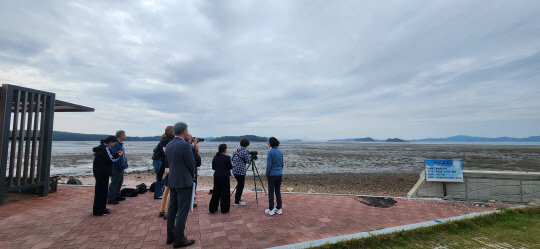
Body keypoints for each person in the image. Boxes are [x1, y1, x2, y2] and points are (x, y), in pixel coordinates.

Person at [165, 122, 196, 248]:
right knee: (182, 210)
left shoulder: (169, 144)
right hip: (183, 181)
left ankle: (170, 236)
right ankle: (179, 239)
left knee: (172, 209)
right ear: (184, 131)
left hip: (172, 179)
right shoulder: (185, 145)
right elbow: (191, 162)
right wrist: (192, 174)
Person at [92, 136, 123, 216]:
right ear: (110, 142)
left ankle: (100, 208)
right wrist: (118, 155)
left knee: (100, 190)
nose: (114, 145)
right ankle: (99, 210)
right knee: (102, 191)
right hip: (102, 172)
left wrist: (116, 154)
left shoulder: (101, 148)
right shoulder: (105, 148)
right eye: (114, 143)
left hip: (99, 171)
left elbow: (108, 158)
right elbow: (111, 159)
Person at [209, 144, 232, 214]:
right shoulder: (227, 158)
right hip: (225, 176)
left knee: (216, 192)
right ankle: (224, 209)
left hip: (217, 176)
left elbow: (213, 167)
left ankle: (212, 208)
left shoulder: (215, 157)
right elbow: (230, 167)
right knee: (225, 193)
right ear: (225, 150)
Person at [157, 126, 175, 218]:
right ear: (172, 132)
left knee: (167, 189)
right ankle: (168, 212)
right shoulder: (171, 141)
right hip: (171, 166)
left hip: (165, 165)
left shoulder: (162, 141)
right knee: (172, 189)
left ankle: (162, 209)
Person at [153, 126, 174, 200]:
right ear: (171, 132)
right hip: (159, 160)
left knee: (160, 176)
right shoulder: (166, 140)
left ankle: (160, 192)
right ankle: (158, 194)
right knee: (159, 176)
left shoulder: (165, 139)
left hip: (159, 159)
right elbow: (165, 151)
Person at [107, 130, 128, 205]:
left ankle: (117, 195)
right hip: (116, 167)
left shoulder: (120, 144)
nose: (125, 136)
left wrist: (125, 163)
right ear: (121, 136)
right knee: (114, 182)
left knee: (119, 181)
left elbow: (122, 156)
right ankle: (110, 198)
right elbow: (115, 155)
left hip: (121, 166)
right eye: (124, 135)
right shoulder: (116, 145)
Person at [265, 137, 284, 216]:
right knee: (278, 191)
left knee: (271, 192)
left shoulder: (270, 152)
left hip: (272, 175)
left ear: (270, 143)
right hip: (279, 174)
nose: (268, 144)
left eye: (268, 142)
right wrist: (280, 171)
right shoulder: (280, 152)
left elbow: (269, 165)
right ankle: (279, 208)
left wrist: (266, 175)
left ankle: (271, 209)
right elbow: (282, 164)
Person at [231, 138, 251, 206]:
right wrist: (251, 158)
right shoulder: (245, 152)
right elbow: (248, 161)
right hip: (241, 171)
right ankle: (237, 201)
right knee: (241, 185)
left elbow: (232, 159)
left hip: (234, 170)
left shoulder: (235, 151)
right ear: (246, 145)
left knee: (239, 184)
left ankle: (237, 197)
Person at [186, 134, 201, 208]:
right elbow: (196, 150)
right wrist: (195, 143)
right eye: (192, 138)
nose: (193, 139)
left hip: (191, 167)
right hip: (192, 167)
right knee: (193, 183)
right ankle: (190, 201)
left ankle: (190, 199)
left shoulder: (188, 145)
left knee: (192, 184)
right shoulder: (188, 145)